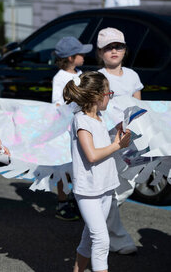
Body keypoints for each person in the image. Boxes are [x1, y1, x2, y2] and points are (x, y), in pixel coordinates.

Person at [63, 71, 131, 272]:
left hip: (105, 186)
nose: (110, 96)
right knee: (101, 241)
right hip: (89, 190)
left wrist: (116, 133)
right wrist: (117, 145)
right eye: (108, 92)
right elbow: (91, 155)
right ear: (96, 96)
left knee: (89, 239)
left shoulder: (99, 118)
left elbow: (100, 144)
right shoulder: (81, 121)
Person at [97, 27, 142, 255]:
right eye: (108, 47)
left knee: (128, 185)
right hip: (108, 142)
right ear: (100, 52)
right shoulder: (97, 78)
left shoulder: (133, 76)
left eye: (118, 46)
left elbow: (141, 108)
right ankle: (117, 238)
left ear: (125, 49)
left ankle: (98, 220)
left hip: (132, 141)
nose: (114, 51)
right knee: (111, 186)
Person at [51, 36, 92, 221]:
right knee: (63, 165)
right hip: (65, 128)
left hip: (80, 125)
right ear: (70, 57)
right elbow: (58, 104)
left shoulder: (81, 74)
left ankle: (76, 198)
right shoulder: (60, 78)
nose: (84, 56)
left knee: (77, 164)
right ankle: (62, 202)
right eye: (80, 53)